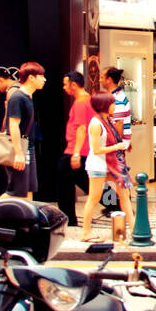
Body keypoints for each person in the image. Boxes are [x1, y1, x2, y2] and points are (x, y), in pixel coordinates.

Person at [79, 93, 133, 242]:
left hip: (112, 164)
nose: (114, 106)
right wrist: (117, 146)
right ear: (104, 105)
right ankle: (86, 232)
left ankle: (134, 228)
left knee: (124, 194)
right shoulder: (96, 123)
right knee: (94, 198)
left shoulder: (108, 120)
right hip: (98, 165)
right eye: (112, 103)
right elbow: (96, 150)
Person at [5, 62, 46, 200]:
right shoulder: (17, 97)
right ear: (31, 78)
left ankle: (29, 219)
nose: (44, 79)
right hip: (20, 147)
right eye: (41, 76)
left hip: (28, 146)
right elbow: (13, 125)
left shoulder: (28, 96)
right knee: (16, 191)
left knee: (29, 188)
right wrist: (18, 153)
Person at [57, 70, 93, 227]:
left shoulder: (79, 103)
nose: (64, 88)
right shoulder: (90, 100)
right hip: (86, 150)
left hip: (75, 151)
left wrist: (76, 153)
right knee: (90, 183)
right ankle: (117, 204)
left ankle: (68, 219)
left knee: (64, 186)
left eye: (65, 84)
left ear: (73, 84)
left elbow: (81, 128)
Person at [102, 65, 133, 204]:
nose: (101, 80)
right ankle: (117, 203)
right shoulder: (116, 96)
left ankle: (120, 203)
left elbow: (118, 124)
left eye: (103, 77)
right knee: (115, 174)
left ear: (109, 79)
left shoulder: (117, 99)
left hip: (115, 144)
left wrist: (116, 145)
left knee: (117, 174)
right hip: (117, 144)